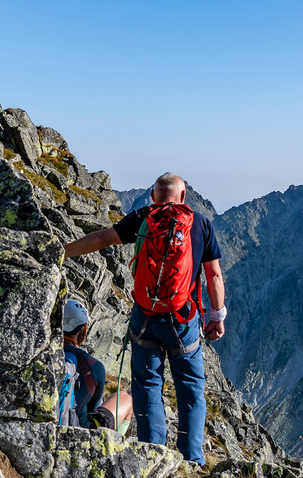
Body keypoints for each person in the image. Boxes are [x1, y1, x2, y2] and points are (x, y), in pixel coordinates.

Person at [64, 173, 226, 465]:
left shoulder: (143, 218)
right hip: (182, 319)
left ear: (153, 196)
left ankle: (153, 455)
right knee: (190, 386)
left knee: (147, 384)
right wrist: (217, 317)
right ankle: (192, 459)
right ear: (183, 195)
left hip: (145, 317)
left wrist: (61, 252)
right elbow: (214, 275)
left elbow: (102, 239)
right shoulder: (200, 224)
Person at [60, 298, 134, 433]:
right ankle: (115, 447)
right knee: (125, 398)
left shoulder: (44, 355)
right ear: (82, 329)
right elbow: (93, 408)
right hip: (78, 430)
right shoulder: (93, 366)